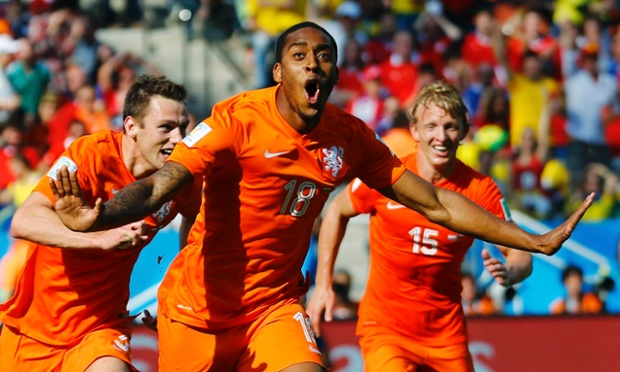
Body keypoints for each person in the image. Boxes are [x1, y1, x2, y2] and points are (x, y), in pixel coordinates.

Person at [50, 22, 593, 372]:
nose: (314, 63)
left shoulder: (350, 136)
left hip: (275, 305)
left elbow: (434, 201)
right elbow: (164, 181)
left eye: (325, 56)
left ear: (334, 74)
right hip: (199, 311)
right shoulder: (234, 120)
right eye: (300, 54)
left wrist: (531, 240)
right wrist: (99, 214)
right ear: (278, 71)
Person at [306, 81, 533, 371]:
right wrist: (324, 284)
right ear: (414, 130)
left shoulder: (480, 189)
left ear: (464, 131)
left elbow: (521, 252)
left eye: (450, 126)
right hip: (386, 329)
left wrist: (511, 271)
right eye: (431, 126)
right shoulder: (388, 173)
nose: (441, 136)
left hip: (446, 336)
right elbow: (336, 210)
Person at [0, 74, 202, 371]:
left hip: (101, 328)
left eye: (183, 128)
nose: (178, 138)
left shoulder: (181, 178)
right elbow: (24, 220)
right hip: (33, 327)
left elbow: (196, 225)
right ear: (132, 126)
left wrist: (179, 295)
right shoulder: (91, 155)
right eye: (167, 128)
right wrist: (99, 239)